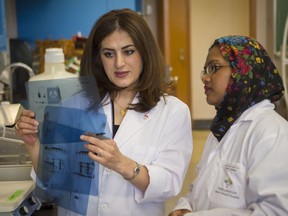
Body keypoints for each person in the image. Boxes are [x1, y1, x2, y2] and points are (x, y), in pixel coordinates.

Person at [15, 8, 193, 216]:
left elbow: (169, 183)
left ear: (145, 53)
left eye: (128, 51)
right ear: (99, 58)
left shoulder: (172, 112)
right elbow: (54, 185)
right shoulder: (74, 106)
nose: (119, 63)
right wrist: (34, 146)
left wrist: (123, 164)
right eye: (109, 54)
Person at [169, 35, 288, 216]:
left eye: (214, 68)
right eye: (205, 70)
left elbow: (274, 211)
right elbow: (200, 186)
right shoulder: (222, 128)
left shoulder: (272, 133)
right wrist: (184, 206)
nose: (205, 78)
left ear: (243, 71)